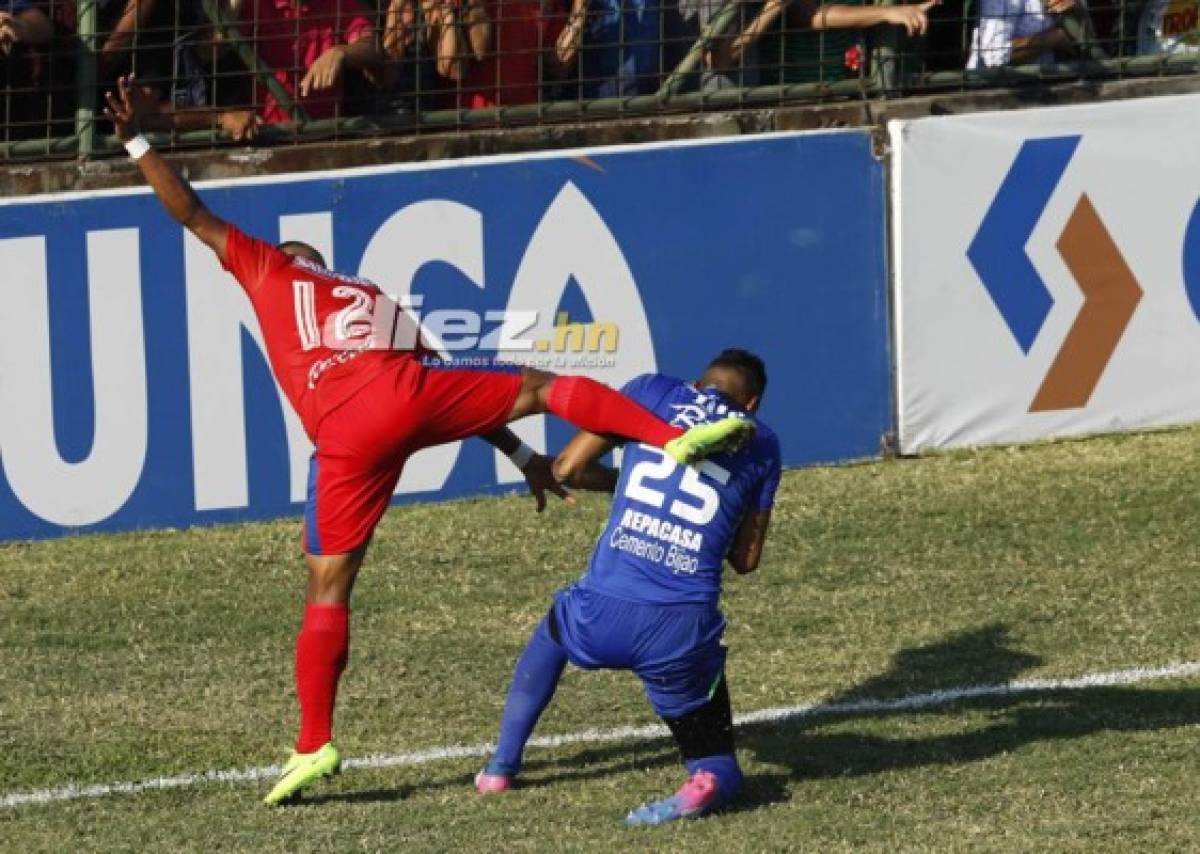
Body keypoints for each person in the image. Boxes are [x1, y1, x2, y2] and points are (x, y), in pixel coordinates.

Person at [103, 74, 756, 806]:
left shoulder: (265, 267)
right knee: (540, 383)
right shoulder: (369, 295)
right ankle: (674, 434)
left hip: (344, 436)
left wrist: (137, 139)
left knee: (327, 586)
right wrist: (524, 455)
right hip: (403, 395)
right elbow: (452, 390)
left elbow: (188, 210)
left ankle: (313, 742)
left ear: (286, 258)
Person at [475, 348, 780, 826]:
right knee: (713, 746)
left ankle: (501, 766)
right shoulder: (762, 442)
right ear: (753, 404)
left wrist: (630, 482)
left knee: (552, 634)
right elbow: (745, 559)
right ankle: (709, 776)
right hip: (677, 629)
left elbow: (567, 469)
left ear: (699, 384)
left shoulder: (650, 391)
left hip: (600, 613)